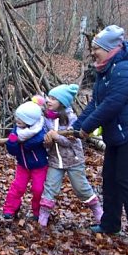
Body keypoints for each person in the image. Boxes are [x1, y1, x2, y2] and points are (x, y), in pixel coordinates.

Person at [73, 25, 128, 244]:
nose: (93, 52)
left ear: (110, 49)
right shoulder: (106, 70)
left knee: (126, 178)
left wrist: (86, 128)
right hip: (118, 132)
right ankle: (110, 224)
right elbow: (96, 103)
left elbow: (112, 104)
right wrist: (76, 126)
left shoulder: (126, 68)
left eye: (96, 48)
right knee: (110, 178)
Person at [38, 84, 102, 227]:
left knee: (81, 188)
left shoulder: (71, 118)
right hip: (55, 160)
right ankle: (43, 217)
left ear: (62, 102)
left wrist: (56, 137)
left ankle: (97, 210)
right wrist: (47, 141)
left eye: (53, 99)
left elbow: (71, 141)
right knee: (50, 187)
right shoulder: (46, 118)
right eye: (48, 97)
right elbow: (46, 142)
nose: (48, 100)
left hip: (73, 160)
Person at [2, 101, 49, 222]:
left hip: (39, 166)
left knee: (38, 189)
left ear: (30, 120)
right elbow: (13, 152)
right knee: (17, 187)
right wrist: (12, 143)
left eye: (21, 118)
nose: (17, 120)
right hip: (23, 165)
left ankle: (38, 212)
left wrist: (26, 143)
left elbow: (36, 141)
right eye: (17, 117)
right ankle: (10, 210)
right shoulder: (17, 130)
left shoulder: (40, 130)